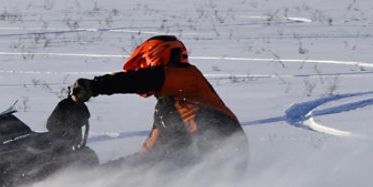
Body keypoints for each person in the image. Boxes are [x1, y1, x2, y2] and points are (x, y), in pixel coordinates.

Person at [70, 35, 247, 168]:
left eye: (143, 64)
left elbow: (142, 79)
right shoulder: (170, 109)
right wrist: (105, 173)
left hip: (219, 153)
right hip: (197, 164)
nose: (142, 69)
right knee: (142, 172)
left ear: (157, 55)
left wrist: (96, 86)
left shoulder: (186, 76)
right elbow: (148, 153)